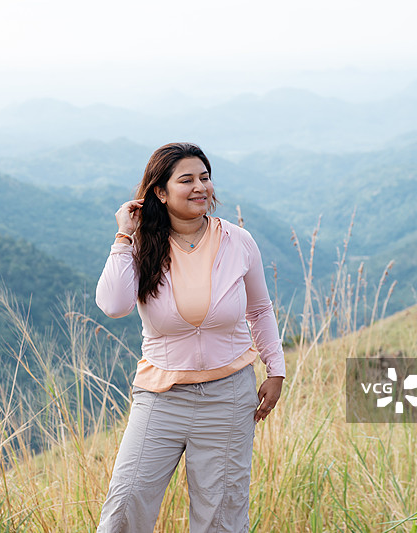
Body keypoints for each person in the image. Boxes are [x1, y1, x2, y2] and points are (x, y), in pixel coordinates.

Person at [95, 142, 286, 532]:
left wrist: (275, 369)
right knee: (126, 504)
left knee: (220, 515)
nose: (200, 187)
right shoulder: (141, 245)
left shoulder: (238, 241)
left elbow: (260, 310)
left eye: (205, 177)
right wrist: (123, 235)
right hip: (160, 397)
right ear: (160, 193)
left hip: (228, 398)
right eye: (187, 180)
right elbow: (114, 305)